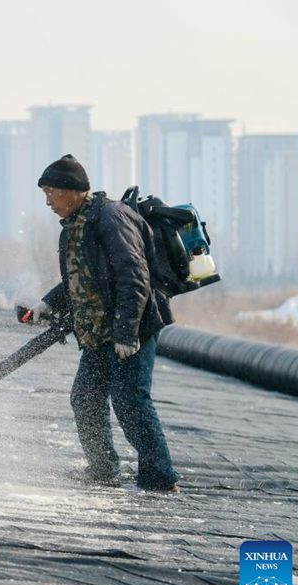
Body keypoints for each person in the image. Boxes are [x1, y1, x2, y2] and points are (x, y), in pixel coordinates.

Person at [25, 154, 179, 493]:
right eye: (45, 193)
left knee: (130, 399)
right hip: (98, 331)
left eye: (52, 192)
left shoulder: (110, 218)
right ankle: (104, 468)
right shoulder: (75, 226)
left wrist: (126, 333)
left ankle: (160, 479)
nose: (48, 201)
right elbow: (82, 277)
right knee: (85, 397)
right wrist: (46, 303)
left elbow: (133, 278)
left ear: (73, 190)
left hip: (132, 327)